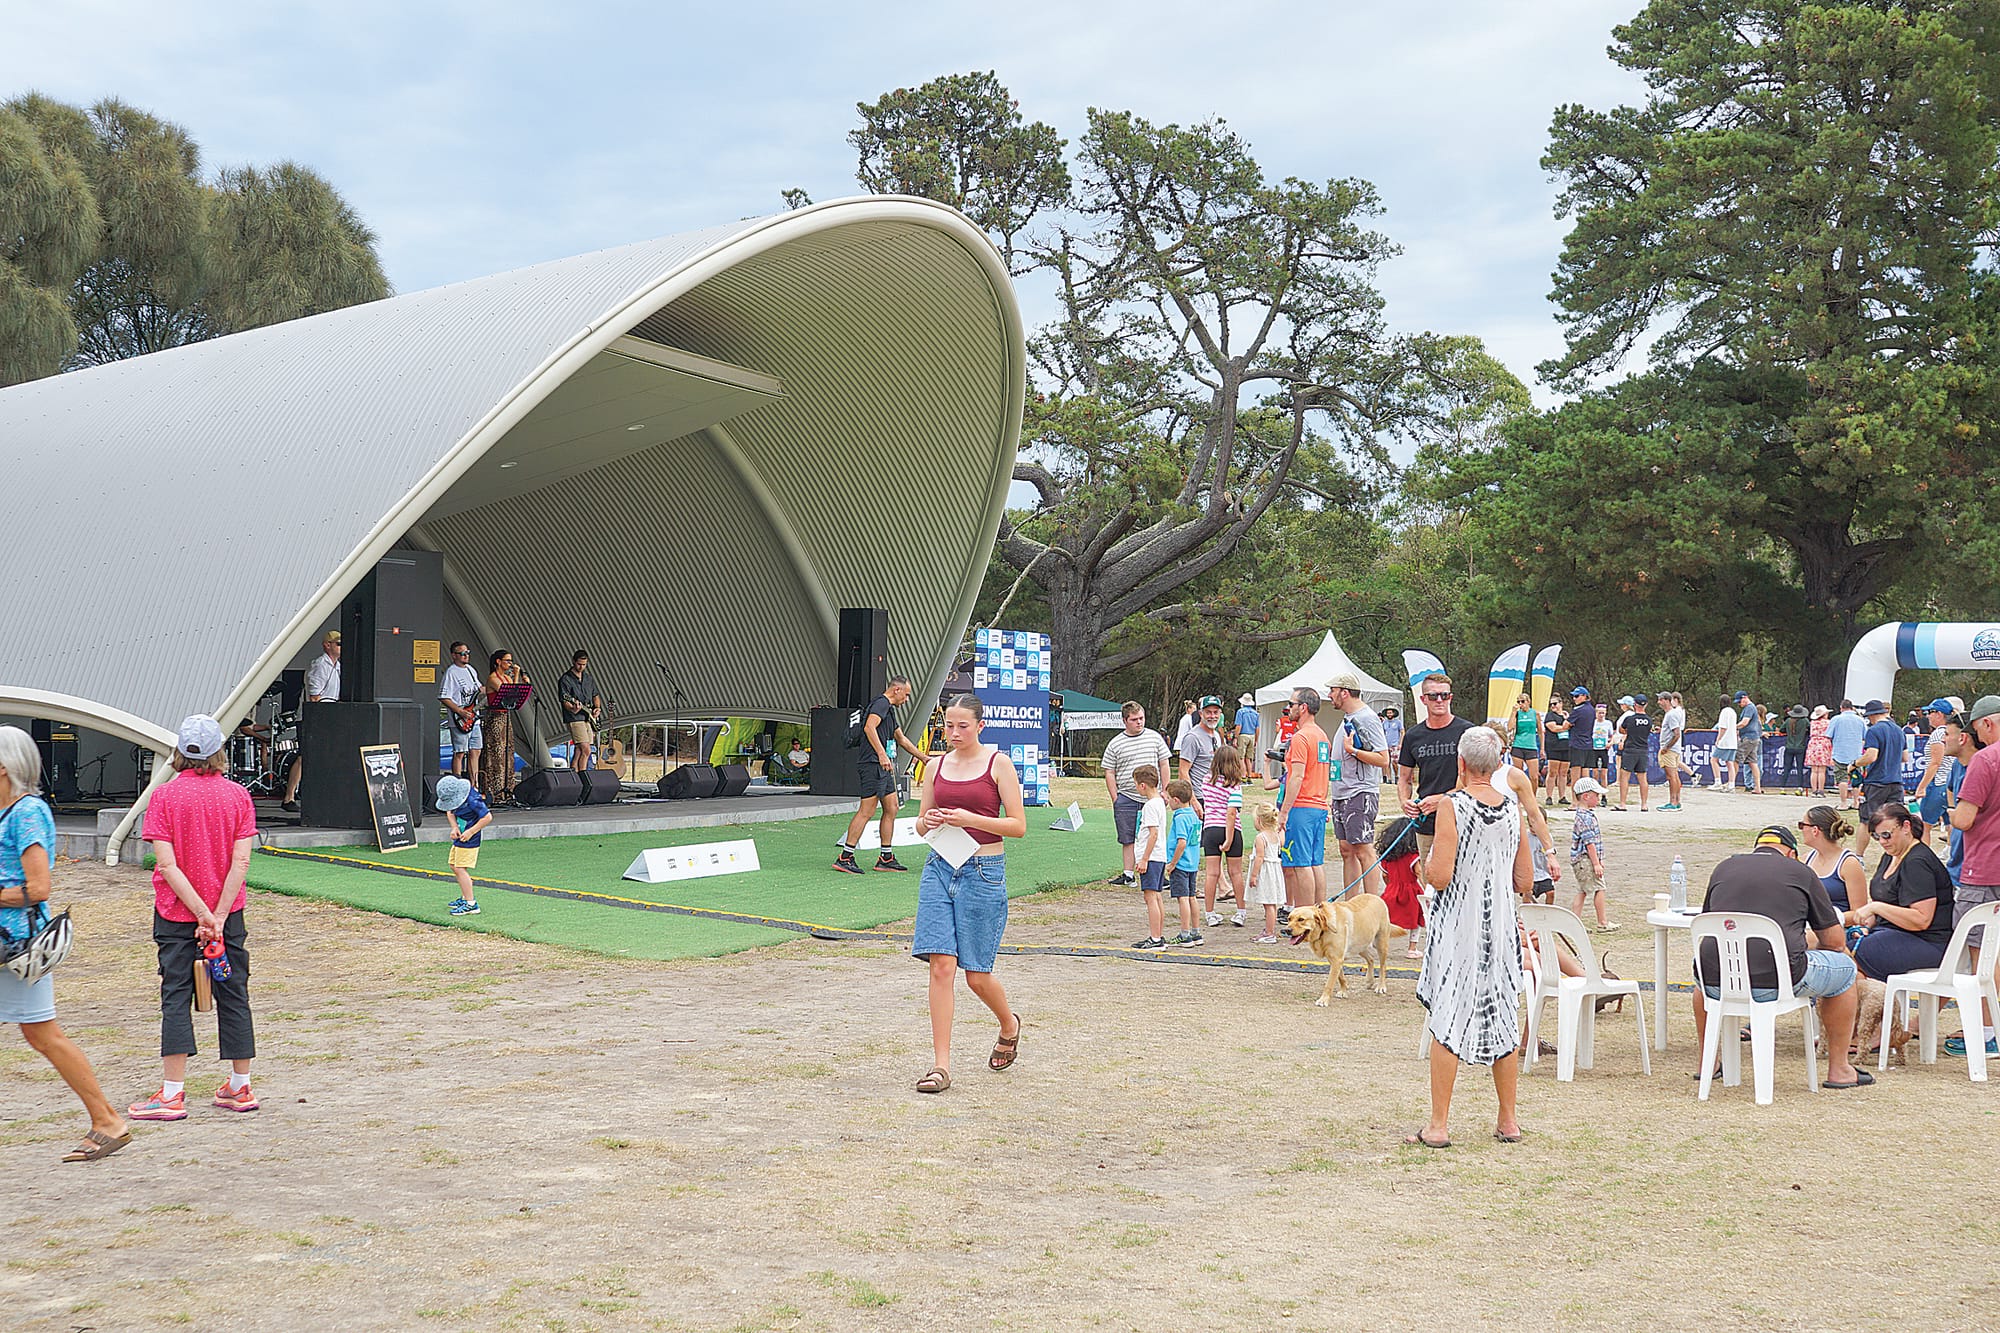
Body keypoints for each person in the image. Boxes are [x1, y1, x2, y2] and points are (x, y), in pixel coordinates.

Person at [0, 727, 129, 1162]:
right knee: (42, 1035)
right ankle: (107, 1118)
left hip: (15, 948)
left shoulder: (27, 813)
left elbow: (37, 887)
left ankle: (108, 1119)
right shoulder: (7, 810)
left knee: (44, 1035)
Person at [129, 715, 260, 1122]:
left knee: (175, 993)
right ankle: (240, 1086)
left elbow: (166, 866)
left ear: (180, 753)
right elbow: (241, 862)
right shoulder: (239, 796)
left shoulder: (164, 797)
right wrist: (217, 916)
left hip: (175, 913)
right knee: (234, 991)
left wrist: (200, 913)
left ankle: (172, 1093)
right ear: (220, 751)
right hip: (228, 915)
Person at [1409, 727, 1530, 1148]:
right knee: (1503, 1014)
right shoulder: (1514, 808)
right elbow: (1524, 878)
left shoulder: (1452, 806)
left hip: (1458, 924)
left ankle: (1439, 1124)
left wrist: (1424, 866)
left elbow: (1439, 875)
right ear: (1499, 765)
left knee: (1448, 1012)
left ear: (1460, 764)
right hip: (1499, 923)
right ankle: (1508, 1119)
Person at [1692, 825, 1868, 1088]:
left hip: (1716, 981)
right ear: (1792, 854)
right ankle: (1840, 1069)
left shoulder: (1724, 868)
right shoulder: (1801, 872)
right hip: (1778, 978)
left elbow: (1712, 921)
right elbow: (1834, 942)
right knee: (1845, 969)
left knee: (1703, 984)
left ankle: (1709, 1061)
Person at [911, 694, 1025, 1094]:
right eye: (949, 725)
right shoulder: (935, 766)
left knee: (977, 977)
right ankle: (940, 1066)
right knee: (941, 965)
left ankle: (1008, 1023)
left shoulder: (998, 764)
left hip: (984, 871)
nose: (954, 733)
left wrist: (970, 818)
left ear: (980, 725)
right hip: (940, 868)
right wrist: (929, 820)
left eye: (963, 725)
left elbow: (1017, 825)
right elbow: (921, 824)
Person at [1850, 802, 1955, 991]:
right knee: (1842, 947)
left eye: (1887, 835)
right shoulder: (1890, 855)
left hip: (1928, 942)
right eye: (1876, 836)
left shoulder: (1917, 862)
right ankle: (1874, 1013)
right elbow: (1891, 901)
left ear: (1906, 826)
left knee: (1848, 956)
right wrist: (1871, 922)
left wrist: (1877, 907)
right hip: (1895, 933)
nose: (1882, 841)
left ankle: (1872, 1013)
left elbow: (1921, 920)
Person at [1948, 695, 2000, 1058]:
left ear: (1986, 725)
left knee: (1983, 958)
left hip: (1984, 869)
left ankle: (1986, 1031)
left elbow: (1965, 819)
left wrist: (1950, 812)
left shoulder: (1985, 759)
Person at [836, 676, 931, 874]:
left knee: (892, 807)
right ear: (896, 689)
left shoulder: (889, 710)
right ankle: (845, 856)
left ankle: (885, 857)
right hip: (872, 764)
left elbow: (902, 739)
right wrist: (881, 754)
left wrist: (924, 759)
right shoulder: (881, 703)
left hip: (883, 766)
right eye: (906, 694)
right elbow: (869, 727)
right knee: (867, 810)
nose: (906, 700)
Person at [1397, 675, 1474, 869]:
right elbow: (1404, 778)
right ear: (1423, 699)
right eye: (1433, 696)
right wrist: (1405, 802)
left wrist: (1441, 799)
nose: (1439, 700)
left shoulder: (1468, 732)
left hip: (1462, 818)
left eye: (1444, 695)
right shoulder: (1413, 736)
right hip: (1427, 822)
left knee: (1464, 878)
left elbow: (1475, 780)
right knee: (1430, 881)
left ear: (1451, 698)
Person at [1327, 671, 1391, 902]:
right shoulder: (1347, 718)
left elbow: (1384, 759)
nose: (1329, 695)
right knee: (1346, 849)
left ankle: (1370, 905)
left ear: (1344, 692)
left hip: (1360, 791)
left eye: (1332, 690)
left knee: (1363, 848)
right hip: (1342, 792)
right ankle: (1351, 904)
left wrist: (1353, 751)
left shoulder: (1366, 718)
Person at [1101, 702, 1171, 888]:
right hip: (1127, 796)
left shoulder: (1154, 738)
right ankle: (1128, 873)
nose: (1139, 722)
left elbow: (1164, 763)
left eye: (1141, 718)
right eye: (1134, 720)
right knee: (1127, 836)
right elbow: (1109, 771)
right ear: (1125, 721)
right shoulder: (1116, 743)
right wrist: (1116, 797)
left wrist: (1165, 790)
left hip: (1152, 796)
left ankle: (1157, 874)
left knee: (1154, 833)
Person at [1279, 687, 1333, 912]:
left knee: (1301, 864)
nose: (1288, 709)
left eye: (1291, 704)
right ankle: (1319, 912)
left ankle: (1304, 915)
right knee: (1315, 862)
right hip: (1318, 805)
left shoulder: (1301, 738)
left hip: (1302, 806)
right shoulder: (1322, 736)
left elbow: (1297, 776)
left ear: (1303, 708)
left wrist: (1284, 812)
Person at [281, 629, 341, 811]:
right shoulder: (319, 665)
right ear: (327, 645)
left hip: (329, 716)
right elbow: (315, 695)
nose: (341, 647)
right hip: (312, 718)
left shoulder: (338, 666)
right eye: (338, 643)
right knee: (304, 756)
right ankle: (288, 797)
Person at [1199, 745, 1246, 930]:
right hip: (1231, 830)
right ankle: (1241, 911)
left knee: (1212, 873)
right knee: (1236, 873)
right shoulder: (1235, 785)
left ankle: (1210, 913)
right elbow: (1231, 813)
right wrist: (1228, 838)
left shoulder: (1205, 781)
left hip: (1210, 829)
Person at [1853, 700, 1907, 854]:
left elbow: (1871, 756)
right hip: (1896, 782)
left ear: (1871, 715)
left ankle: (1859, 856)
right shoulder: (1899, 730)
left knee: (1865, 821)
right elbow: (1905, 757)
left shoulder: (1874, 730)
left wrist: (1855, 764)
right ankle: (1895, 854)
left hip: (1876, 782)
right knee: (1895, 821)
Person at [434, 775, 490, 918]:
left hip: (470, 838)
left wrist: (471, 832)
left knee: (460, 868)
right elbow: (450, 812)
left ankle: (471, 904)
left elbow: (487, 817)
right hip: (460, 835)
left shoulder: (473, 800)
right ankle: (465, 897)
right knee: (454, 865)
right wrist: (454, 827)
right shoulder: (453, 802)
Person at [481, 648, 530, 805]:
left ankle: (508, 790)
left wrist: (517, 678)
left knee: (507, 752)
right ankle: (495, 791)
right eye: (507, 661)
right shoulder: (493, 678)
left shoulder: (506, 678)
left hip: (506, 717)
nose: (510, 663)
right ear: (498, 661)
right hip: (495, 718)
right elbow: (507, 693)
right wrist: (516, 674)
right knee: (497, 753)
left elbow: (515, 692)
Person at [1798, 805, 1866, 914]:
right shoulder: (1806, 860)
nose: (1801, 830)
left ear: (1815, 830)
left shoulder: (1849, 864)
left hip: (1838, 925)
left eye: (1802, 825)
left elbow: (1860, 912)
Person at [1130, 764, 1170, 950]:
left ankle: (1155, 938)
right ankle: (1158, 935)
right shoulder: (1160, 802)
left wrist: (1144, 858)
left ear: (1143, 785)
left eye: (1136, 784)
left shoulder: (1150, 806)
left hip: (1152, 857)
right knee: (1157, 897)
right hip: (1159, 856)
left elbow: (1152, 834)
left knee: (1151, 898)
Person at [1915, 697, 1962, 848]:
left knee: (1924, 825)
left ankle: (1923, 857)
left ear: (1939, 714)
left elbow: (1935, 762)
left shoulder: (1937, 734)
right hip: (1948, 784)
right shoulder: (1951, 733)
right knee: (1950, 823)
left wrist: (1922, 787)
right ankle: (1950, 852)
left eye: (1930, 712)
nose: (1927, 716)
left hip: (1937, 783)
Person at [1568, 776, 1613, 930]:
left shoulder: (1584, 815)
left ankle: (1575, 922)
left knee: (1583, 890)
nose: (1598, 798)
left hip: (1582, 860)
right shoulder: (1585, 818)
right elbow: (1589, 843)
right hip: (1586, 860)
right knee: (1599, 887)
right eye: (1596, 795)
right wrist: (1596, 863)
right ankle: (1602, 922)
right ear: (1586, 796)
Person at [1165, 779, 1203, 947]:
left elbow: (1182, 842)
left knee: (1183, 899)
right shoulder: (1193, 815)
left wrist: (1172, 863)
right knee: (1191, 897)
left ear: (1176, 800)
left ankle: (1185, 934)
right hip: (1192, 863)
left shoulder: (1180, 818)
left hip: (1181, 864)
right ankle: (1196, 932)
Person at [438, 641, 484, 783]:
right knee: (459, 752)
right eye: (462, 653)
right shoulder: (451, 672)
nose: (465, 656)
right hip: (460, 718)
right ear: (454, 655)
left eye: (467, 653)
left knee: (476, 750)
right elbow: (444, 696)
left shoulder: (470, 670)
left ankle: (474, 785)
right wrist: (460, 711)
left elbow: (479, 689)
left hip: (473, 717)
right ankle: (457, 784)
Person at [1247, 804, 1286, 942]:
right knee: (1272, 904)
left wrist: (1253, 875)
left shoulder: (1260, 838)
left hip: (1265, 873)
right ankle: (1270, 930)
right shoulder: (1275, 835)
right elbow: (1282, 842)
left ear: (1258, 820)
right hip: (1274, 872)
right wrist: (1282, 830)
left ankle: (1269, 933)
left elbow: (1260, 857)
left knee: (1268, 904)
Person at [558, 650, 603, 772]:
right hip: (575, 718)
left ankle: (574, 775)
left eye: (584, 664)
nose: (581, 667)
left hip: (587, 718)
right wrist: (573, 708)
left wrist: (597, 708)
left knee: (579, 750)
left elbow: (596, 695)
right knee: (586, 749)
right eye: (579, 664)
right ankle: (583, 777)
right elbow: (565, 700)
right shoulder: (565, 679)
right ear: (573, 661)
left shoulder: (588, 678)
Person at [1827, 699, 1866, 810]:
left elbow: (1829, 735)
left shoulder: (1836, 719)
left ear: (1841, 707)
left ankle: (1843, 803)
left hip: (1840, 753)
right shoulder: (1860, 720)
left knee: (1841, 779)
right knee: (1856, 779)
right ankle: (1855, 802)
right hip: (1856, 755)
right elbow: (1865, 736)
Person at [1616, 695, 1653, 812]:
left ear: (1634, 704)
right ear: (1646, 705)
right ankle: (1644, 804)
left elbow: (1621, 730)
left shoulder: (1630, 719)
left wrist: (1628, 731)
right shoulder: (1649, 720)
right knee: (1642, 778)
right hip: (1643, 750)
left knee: (1624, 777)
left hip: (1630, 750)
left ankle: (1622, 803)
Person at [1180, 696, 1224, 790]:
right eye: (1208, 712)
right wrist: (1194, 802)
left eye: (1216, 712)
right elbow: (1183, 772)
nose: (1212, 716)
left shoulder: (1216, 735)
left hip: (1213, 795)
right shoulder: (1192, 738)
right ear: (1200, 713)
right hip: (1199, 795)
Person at [1657, 691, 1686, 810]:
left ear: (1667, 700)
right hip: (1674, 749)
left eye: (1660, 700)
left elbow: (1677, 734)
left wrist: (1666, 747)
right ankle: (1676, 801)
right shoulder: (1671, 714)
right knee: (1674, 776)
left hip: (1670, 750)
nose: (1658, 702)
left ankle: (1673, 802)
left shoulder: (1671, 715)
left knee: (1671, 776)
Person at [1543, 697, 1571, 805]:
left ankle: (1562, 796)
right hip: (1554, 746)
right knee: (1552, 772)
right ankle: (1549, 796)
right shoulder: (1550, 715)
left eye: (1555, 704)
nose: (1553, 706)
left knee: (1563, 773)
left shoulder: (1566, 716)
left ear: (1561, 703)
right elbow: (1553, 728)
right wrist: (1565, 727)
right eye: (1551, 704)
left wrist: (1566, 722)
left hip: (1566, 746)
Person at [1736, 692, 1765, 793]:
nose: (1739, 704)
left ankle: (1731, 783)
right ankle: (1757, 787)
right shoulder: (1752, 708)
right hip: (1755, 738)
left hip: (1748, 738)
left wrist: (1733, 727)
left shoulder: (1749, 708)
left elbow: (1744, 722)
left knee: (1736, 759)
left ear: (1745, 698)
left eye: (1739, 701)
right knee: (1753, 763)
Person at [1710, 694, 1739, 792]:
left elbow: (1723, 727)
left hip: (1725, 741)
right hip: (1733, 742)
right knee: (1729, 762)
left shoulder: (1724, 712)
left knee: (1714, 760)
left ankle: (1717, 781)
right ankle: (1731, 784)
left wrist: (1718, 739)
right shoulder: (1733, 712)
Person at [1805, 704, 1833, 798]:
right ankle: (1821, 790)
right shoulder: (1828, 723)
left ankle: (1814, 790)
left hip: (1813, 743)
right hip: (1824, 743)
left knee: (1814, 770)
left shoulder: (1812, 723)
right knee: (1821, 770)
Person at [1782, 705, 1810, 792]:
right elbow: (1810, 729)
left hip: (1789, 746)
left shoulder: (1788, 721)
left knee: (1786, 767)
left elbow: (1782, 730)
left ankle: (1782, 787)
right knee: (1799, 767)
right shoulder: (1805, 721)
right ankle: (1799, 787)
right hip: (1800, 747)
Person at [1381, 706, 1404, 782]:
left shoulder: (1398, 722)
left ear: (1393, 713)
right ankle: (1389, 778)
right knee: (1387, 762)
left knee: (1394, 762)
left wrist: (1400, 743)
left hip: (1395, 745)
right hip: (1386, 745)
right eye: (1388, 713)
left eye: (1390, 712)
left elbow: (1402, 732)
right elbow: (1382, 733)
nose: (1389, 714)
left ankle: (1396, 776)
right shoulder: (1384, 723)